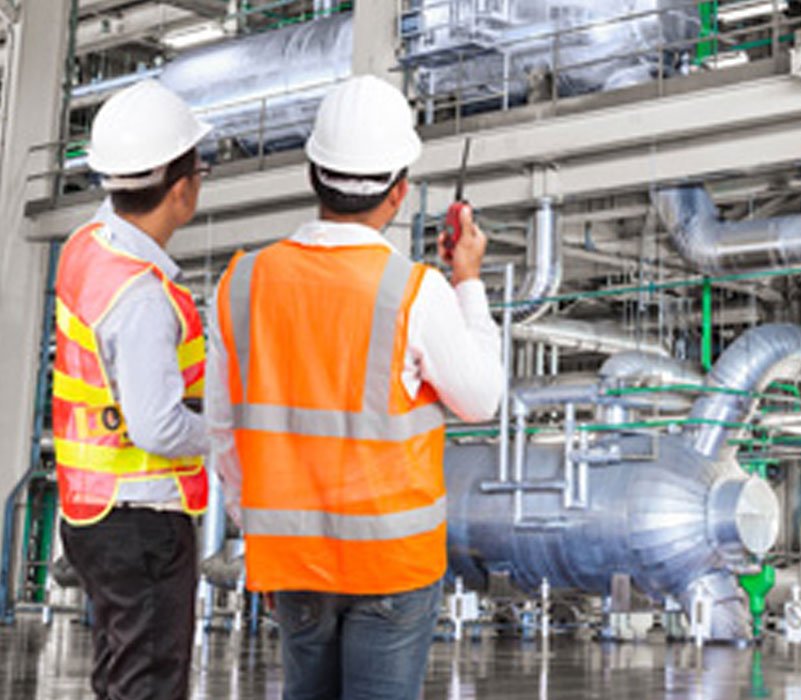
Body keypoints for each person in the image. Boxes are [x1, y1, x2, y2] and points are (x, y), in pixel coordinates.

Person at [207, 74, 504, 700]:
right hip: (390, 564)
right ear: (399, 192)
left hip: (292, 559)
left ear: (314, 173)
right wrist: (468, 282)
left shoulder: (240, 284)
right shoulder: (416, 290)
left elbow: (223, 429)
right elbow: (481, 401)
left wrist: (251, 517)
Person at [53, 80, 212, 700]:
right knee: (148, 683)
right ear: (182, 189)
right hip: (140, 518)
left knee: (122, 676)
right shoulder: (142, 297)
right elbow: (157, 426)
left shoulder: (88, 247)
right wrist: (227, 432)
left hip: (91, 511)